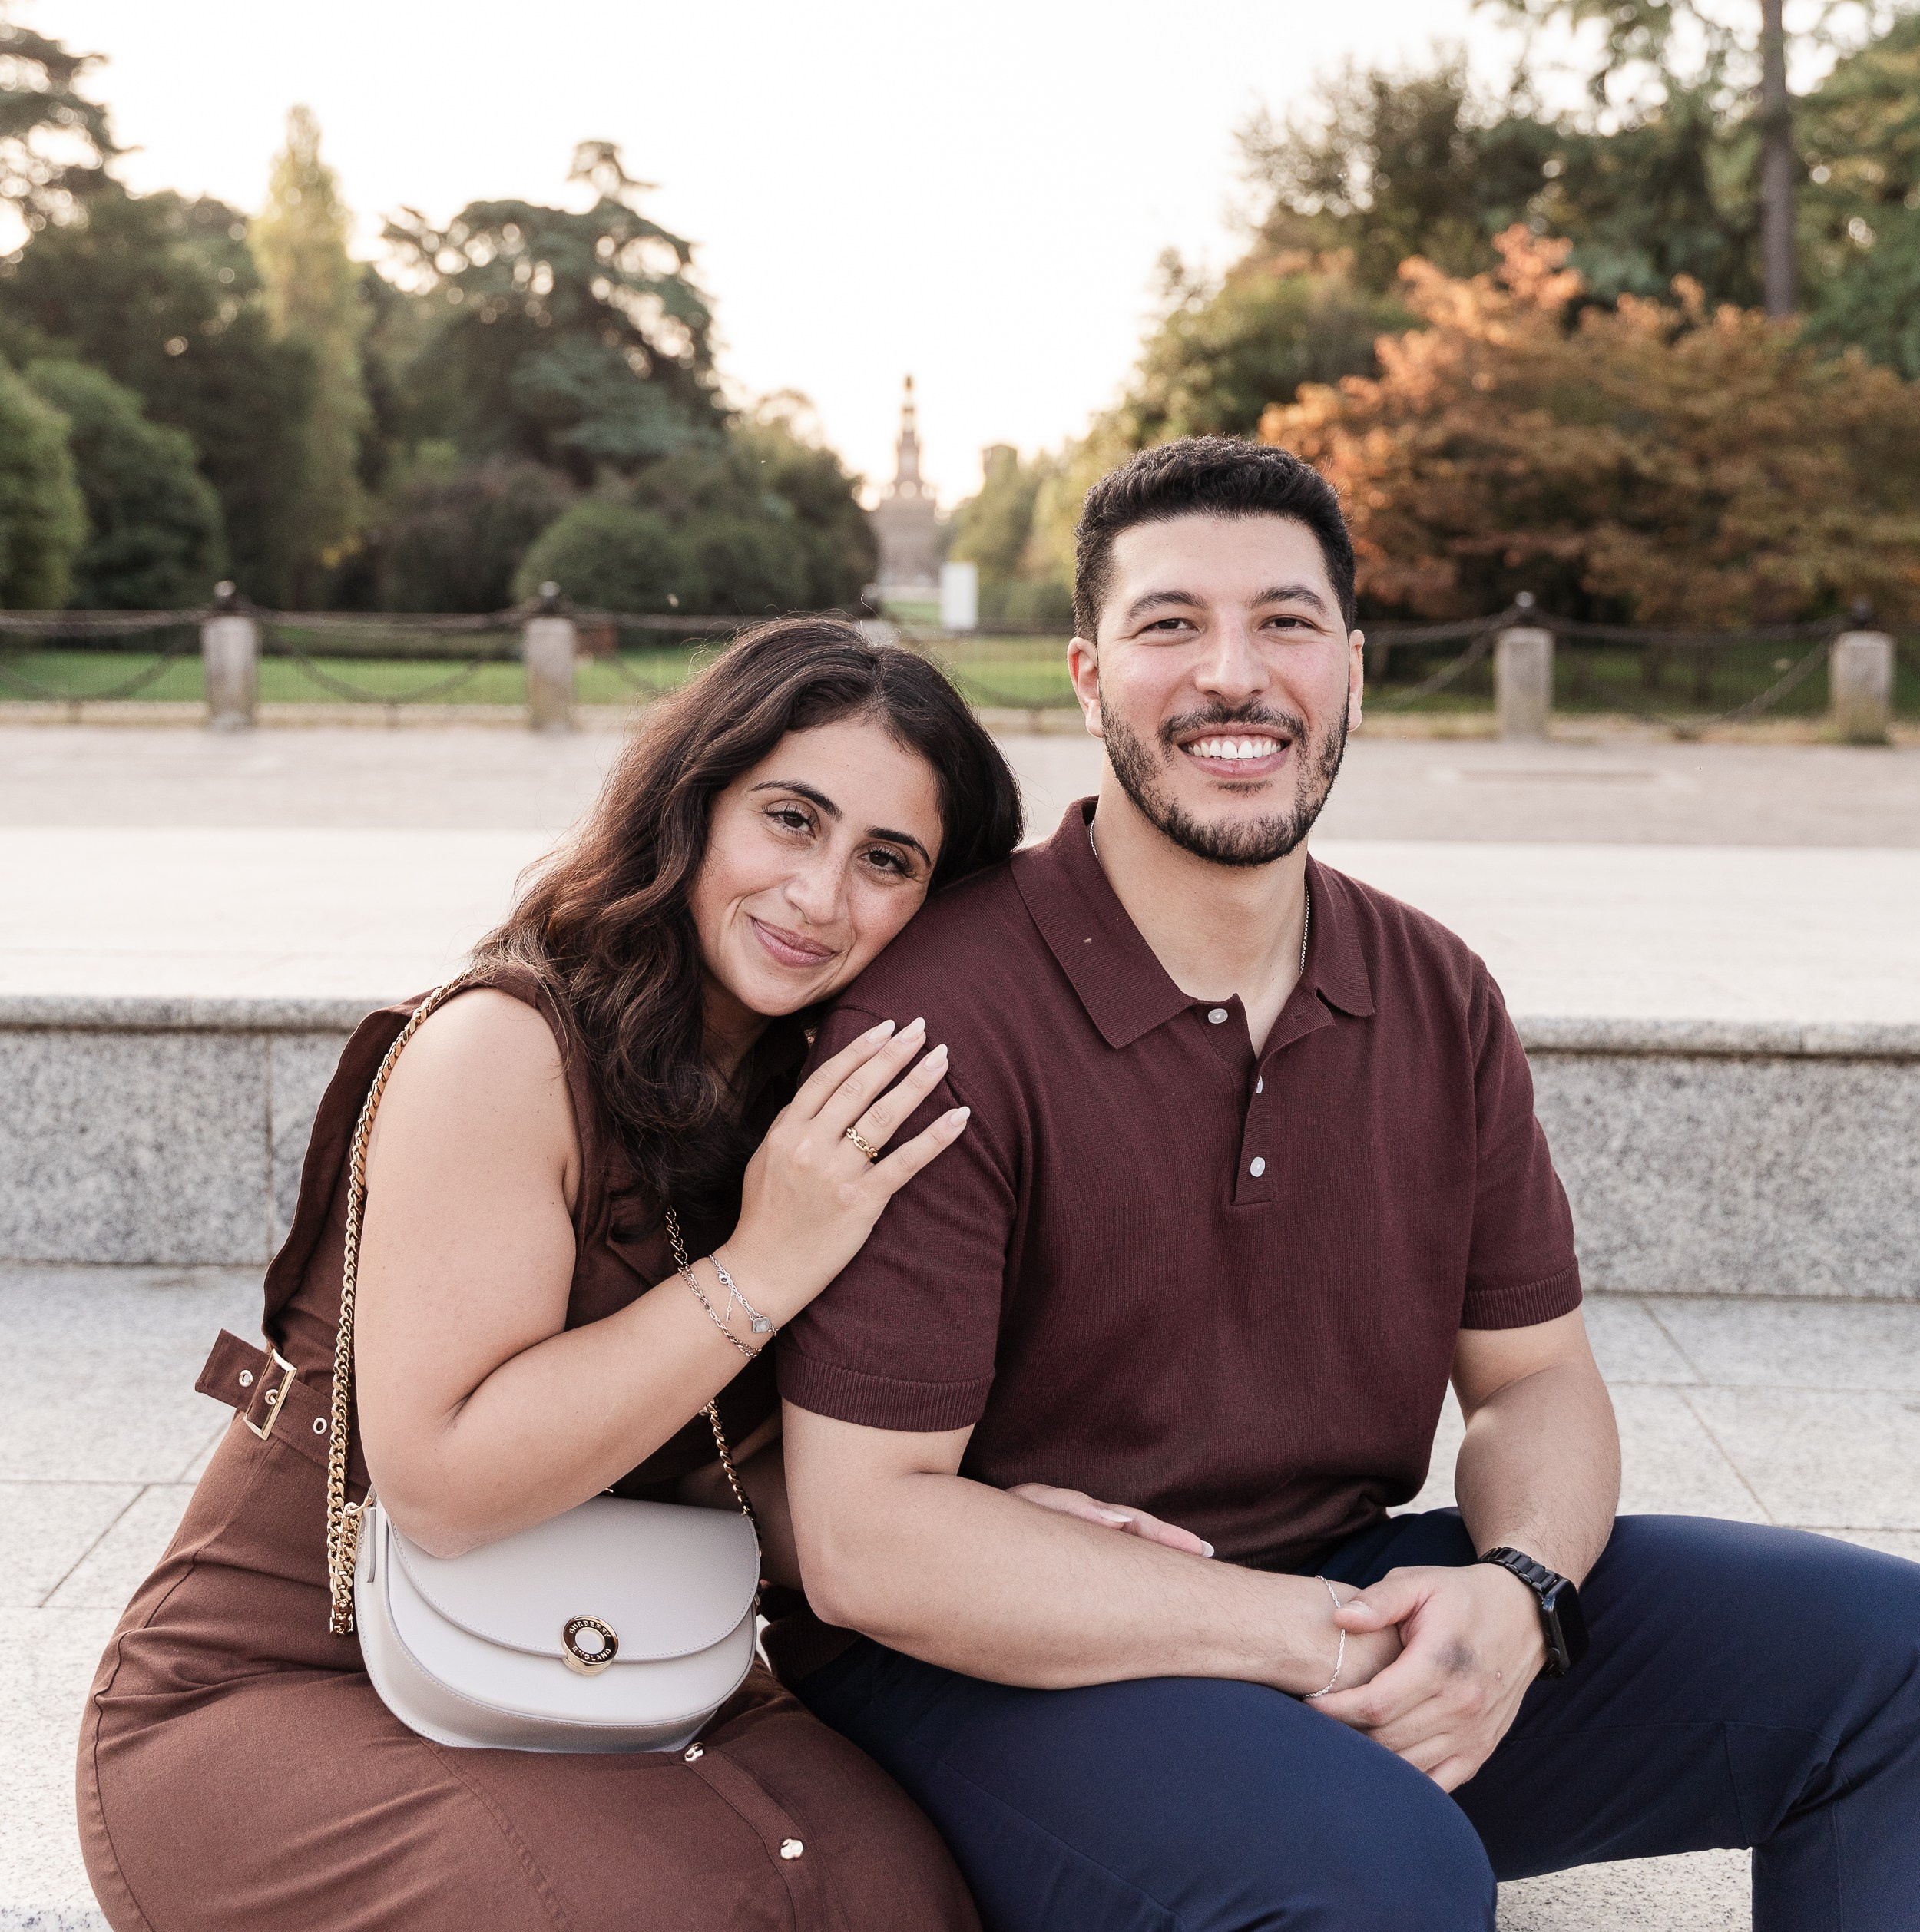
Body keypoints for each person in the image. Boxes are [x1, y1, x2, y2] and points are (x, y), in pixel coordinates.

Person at [771, 440, 1920, 1932]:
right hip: (989, 1664)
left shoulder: (1432, 990)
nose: (1232, 676)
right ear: (1082, 671)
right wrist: (1299, 1633)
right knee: (1380, 1887)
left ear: (1352, 672)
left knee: (1885, 1666)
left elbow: (1534, 1385)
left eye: (1286, 623)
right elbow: (867, 1539)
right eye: (1169, 624)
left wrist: (1515, 1593)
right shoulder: (936, 1018)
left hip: (1339, 1591)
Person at [78, 620, 1041, 1932]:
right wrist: (765, 1264)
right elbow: (446, 1485)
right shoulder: (504, 1047)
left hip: (608, 1653)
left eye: (889, 861)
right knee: (647, 1908)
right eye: (791, 820)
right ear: (690, 811)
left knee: (891, 1889)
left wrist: (1017, 1528)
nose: (824, 896)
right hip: (290, 1678)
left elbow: (732, 1470)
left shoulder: (808, 1103)